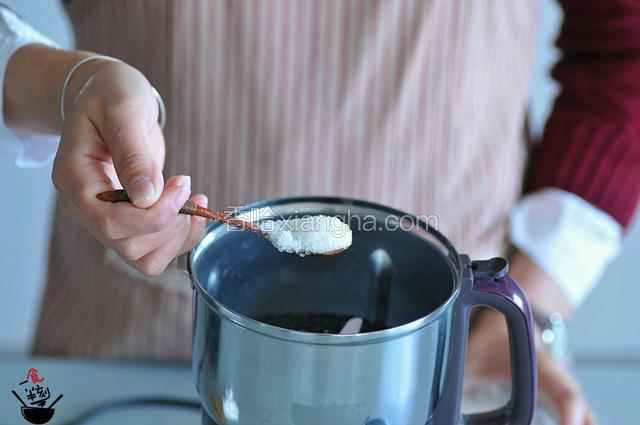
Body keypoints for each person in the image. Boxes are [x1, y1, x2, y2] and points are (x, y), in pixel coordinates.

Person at [2, 1, 639, 423]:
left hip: (441, 361)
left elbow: (625, 57)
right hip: (117, 355)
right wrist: (67, 83)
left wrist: (532, 296)